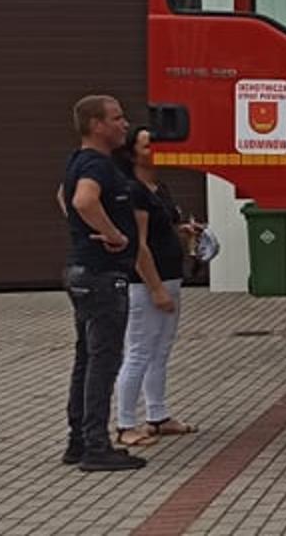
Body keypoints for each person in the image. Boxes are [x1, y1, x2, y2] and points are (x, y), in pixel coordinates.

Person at [59, 95, 145, 471]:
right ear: (97, 125)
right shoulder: (97, 164)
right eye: (117, 118)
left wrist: (82, 232)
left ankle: (77, 441)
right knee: (104, 361)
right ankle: (96, 446)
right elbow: (81, 200)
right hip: (101, 276)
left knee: (86, 358)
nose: (124, 124)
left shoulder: (78, 161)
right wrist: (114, 235)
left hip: (82, 271)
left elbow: (63, 196)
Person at [111, 126, 201, 448]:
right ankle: (124, 423)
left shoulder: (159, 187)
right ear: (134, 153)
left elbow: (167, 228)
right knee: (138, 351)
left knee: (161, 350)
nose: (156, 151)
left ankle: (158, 415)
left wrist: (185, 231)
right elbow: (139, 244)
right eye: (148, 146)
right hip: (148, 283)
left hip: (171, 275)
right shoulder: (134, 190)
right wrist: (155, 288)